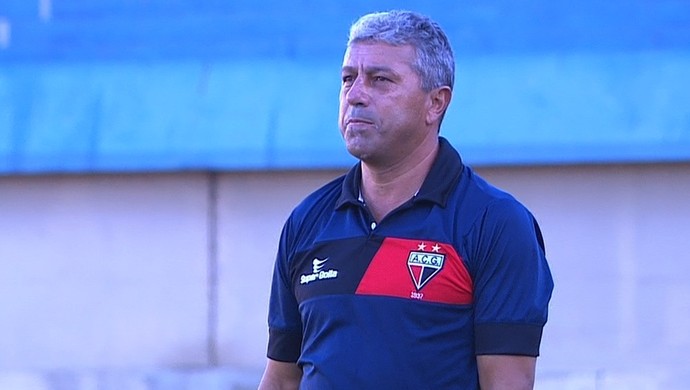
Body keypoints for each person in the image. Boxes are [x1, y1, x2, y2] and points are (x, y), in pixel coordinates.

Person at [258, 10, 553, 390]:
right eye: (348, 79)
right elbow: (282, 380)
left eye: (380, 80)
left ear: (436, 103)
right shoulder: (308, 222)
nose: (356, 96)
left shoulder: (494, 224)